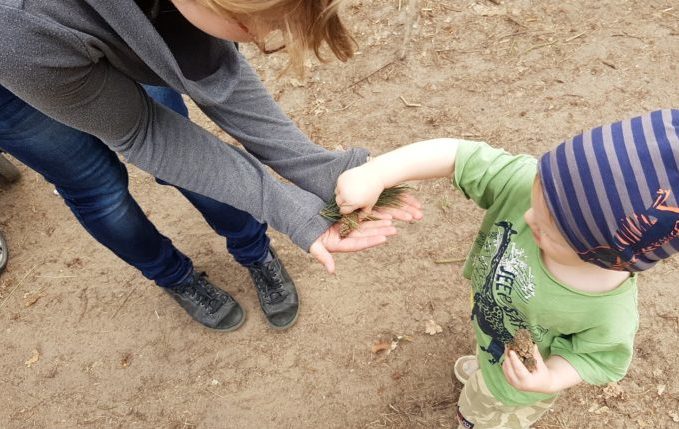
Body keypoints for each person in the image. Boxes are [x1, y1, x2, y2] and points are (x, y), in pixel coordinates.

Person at [0, 0, 422, 330]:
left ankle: (254, 251)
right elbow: (145, 132)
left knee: (185, 152)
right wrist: (285, 205)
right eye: (260, 21)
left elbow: (215, 74)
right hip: (19, 56)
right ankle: (173, 276)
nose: (267, 37)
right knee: (98, 188)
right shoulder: (20, 28)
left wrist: (317, 170)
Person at [335, 110, 679, 428]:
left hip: (518, 388)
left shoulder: (609, 309)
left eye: (547, 229)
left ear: (598, 256)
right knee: (487, 354)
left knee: (480, 412)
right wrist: (375, 172)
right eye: (537, 196)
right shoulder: (531, 186)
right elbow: (458, 155)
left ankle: (476, 412)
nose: (530, 217)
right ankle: (485, 368)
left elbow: (599, 359)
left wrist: (550, 380)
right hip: (495, 327)